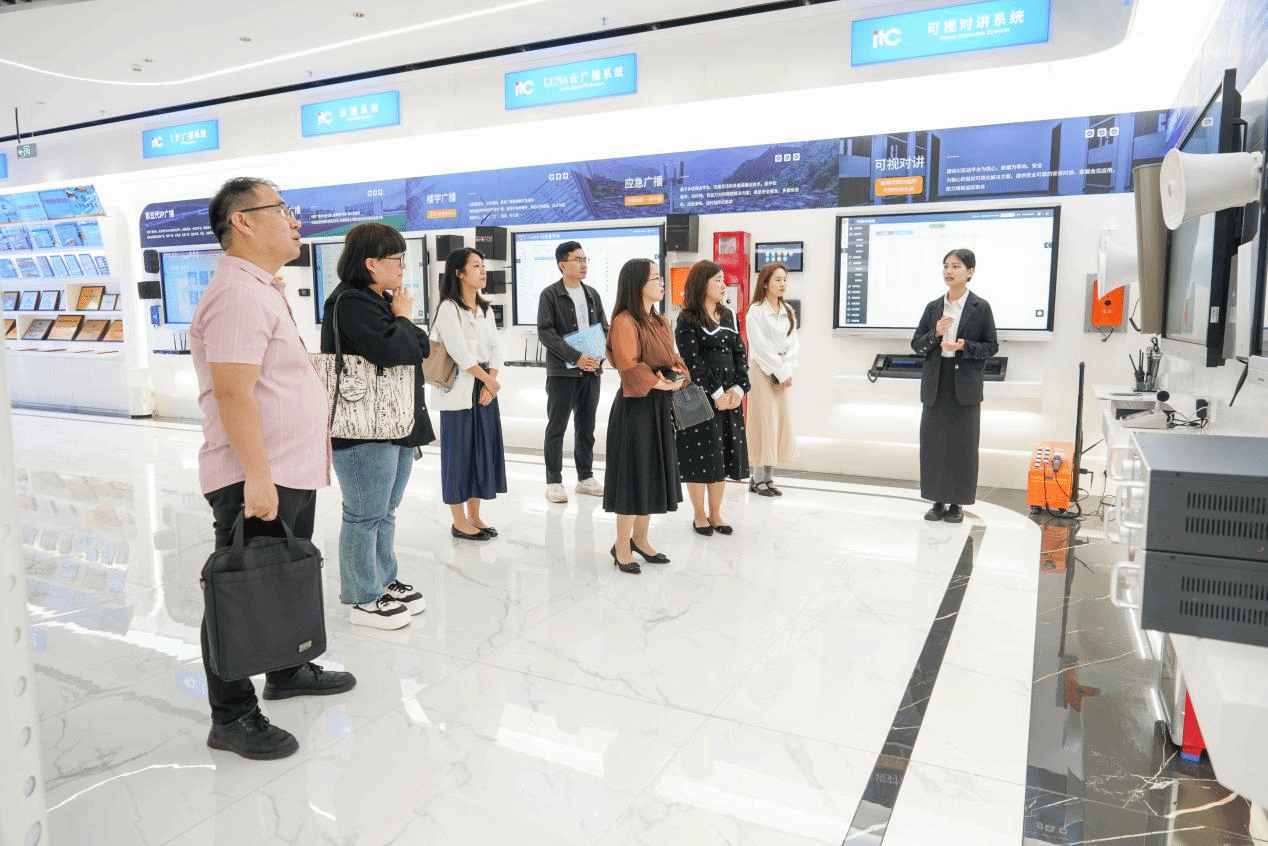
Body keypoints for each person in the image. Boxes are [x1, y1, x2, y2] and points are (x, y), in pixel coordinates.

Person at [190, 177, 355, 761]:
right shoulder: (238, 292)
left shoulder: (260, 287)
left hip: (286, 469)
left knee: (281, 578)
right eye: (282, 209)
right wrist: (257, 478)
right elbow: (233, 393)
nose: (294, 220)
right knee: (238, 591)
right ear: (243, 221)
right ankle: (232, 715)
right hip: (257, 474)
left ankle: (286, 668)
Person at [320, 222, 434, 630]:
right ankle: (361, 595)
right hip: (363, 429)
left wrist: (401, 320)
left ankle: (384, 580)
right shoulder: (350, 302)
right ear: (371, 263)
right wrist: (402, 317)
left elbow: (420, 348)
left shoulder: (379, 300)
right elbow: (394, 350)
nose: (403, 267)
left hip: (394, 422)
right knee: (364, 515)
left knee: (385, 511)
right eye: (397, 259)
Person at [603, 258, 689, 573]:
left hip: (659, 407)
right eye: (655, 277)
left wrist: (675, 375)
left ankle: (640, 539)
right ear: (638, 283)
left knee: (650, 474)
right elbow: (629, 366)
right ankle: (622, 545)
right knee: (632, 476)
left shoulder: (661, 321)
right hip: (635, 408)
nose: (661, 282)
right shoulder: (624, 322)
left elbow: (672, 359)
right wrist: (660, 381)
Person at [911, 247, 998, 524]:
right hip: (937, 382)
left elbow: (991, 346)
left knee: (962, 446)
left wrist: (964, 346)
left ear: (970, 272)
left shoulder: (980, 307)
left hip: (964, 385)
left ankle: (957, 503)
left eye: (956, 266)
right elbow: (916, 344)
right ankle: (937, 501)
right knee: (934, 444)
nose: (949, 271)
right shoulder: (933, 307)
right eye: (946, 265)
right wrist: (935, 334)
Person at [430, 247, 507, 539]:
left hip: (484, 386)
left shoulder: (485, 309)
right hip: (461, 389)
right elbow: (460, 352)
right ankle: (459, 520)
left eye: (482, 265)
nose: (483, 270)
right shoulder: (449, 308)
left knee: (481, 453)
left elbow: (496, 348)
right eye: (476, 266)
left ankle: (475, 515)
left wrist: (491, 381)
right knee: (458, 456)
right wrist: (488, 381)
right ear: (459, 273)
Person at [675, 260, 750, 535]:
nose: (723, 285)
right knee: (698, 456)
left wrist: (738, 389)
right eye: (717, 280)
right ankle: (699, 515)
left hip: (729, 397)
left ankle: (716, 514)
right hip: (697, 396)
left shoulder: (729, 315)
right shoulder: (687, 318)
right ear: (701, 284)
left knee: (720, 455)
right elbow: (692, 361)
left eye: (723, 280)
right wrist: (716, 393)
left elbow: (740, 353)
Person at [537, 240, 609, 504]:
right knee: (557, 427)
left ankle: (585, 478)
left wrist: (599, 357)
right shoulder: (550, 295)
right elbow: (546, 333)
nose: (583, 264)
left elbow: (603, 327)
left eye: (585, 259)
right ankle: (554, 482)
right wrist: (575, 357)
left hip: (591, 371)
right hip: (562, 373)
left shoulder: (592, 294)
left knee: (587, 427)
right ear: (562, 264)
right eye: (577, 259)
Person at [745, 262, 800, 496]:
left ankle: (769, 478)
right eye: (777, 280)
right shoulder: (756, 311)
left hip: (782, 372)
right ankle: (757, 479)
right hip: (762, 372)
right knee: (763, 423)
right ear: (765, 283)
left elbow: (793, 344)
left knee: (778, 424)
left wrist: (786, 371)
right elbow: (760, 347)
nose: (782, 284)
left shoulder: (788, 310)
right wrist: (779, 371)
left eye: (784, 279)